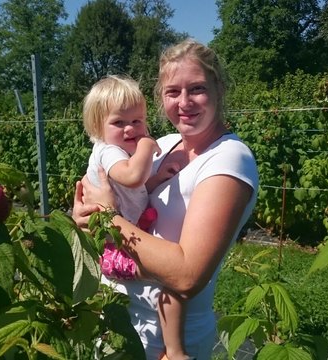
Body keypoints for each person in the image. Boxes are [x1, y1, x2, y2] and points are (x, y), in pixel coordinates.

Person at [73, 39, 259, 359]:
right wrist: (84, 216)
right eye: (173, 92)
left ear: (219, 88)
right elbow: (119, 195)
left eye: (197, 88)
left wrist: (106, 215)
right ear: (161, 97)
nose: (184, 102)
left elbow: (186, 275)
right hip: (115, 318)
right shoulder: (165, 144)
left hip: (164, 340)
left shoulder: (229, 160)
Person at [82, 74, 191, 360]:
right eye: (119, 122)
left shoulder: (120, 152)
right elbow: (131, 178)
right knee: (173, 283)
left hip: (122, 235)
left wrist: (155, 181)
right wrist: (145, 147)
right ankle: (176, 352)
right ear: (97, 127)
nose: (131, 128)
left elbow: (136, 191)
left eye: (137, 121)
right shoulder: (108, 152)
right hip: (114, 248)